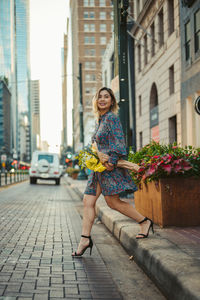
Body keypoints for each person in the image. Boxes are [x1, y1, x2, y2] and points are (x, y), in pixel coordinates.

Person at [72, 87, 154, 257]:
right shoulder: (100, 120)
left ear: (111, 101)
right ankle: (85, 239)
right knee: (88, 201)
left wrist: (112, 161)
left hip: (109, 167)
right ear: (96, 100)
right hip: (98, 169)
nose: (102, 99)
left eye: (106, 97)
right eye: (100, 96)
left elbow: (119, 143)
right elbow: (97, 145)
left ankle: (144, 221)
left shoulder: (111, 119)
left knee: (113, 202)